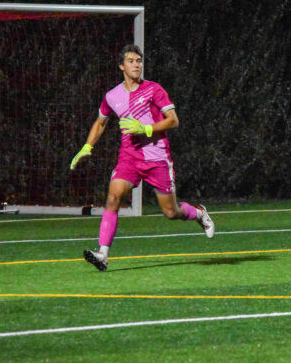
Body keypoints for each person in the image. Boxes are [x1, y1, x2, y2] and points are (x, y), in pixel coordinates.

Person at [70, 44, 214, 271]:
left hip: (157, 156)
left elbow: (173, 120)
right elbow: (100, 123)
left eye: (139, 60)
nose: (136, 64)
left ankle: (198, 213)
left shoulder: (154, 89)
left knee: (170, 211)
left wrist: (146, 129)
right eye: (131, 61)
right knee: (113, 197)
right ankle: (103, 254)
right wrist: (87, 146)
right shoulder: (112, 96)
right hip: (129, 157)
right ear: (121, 66)